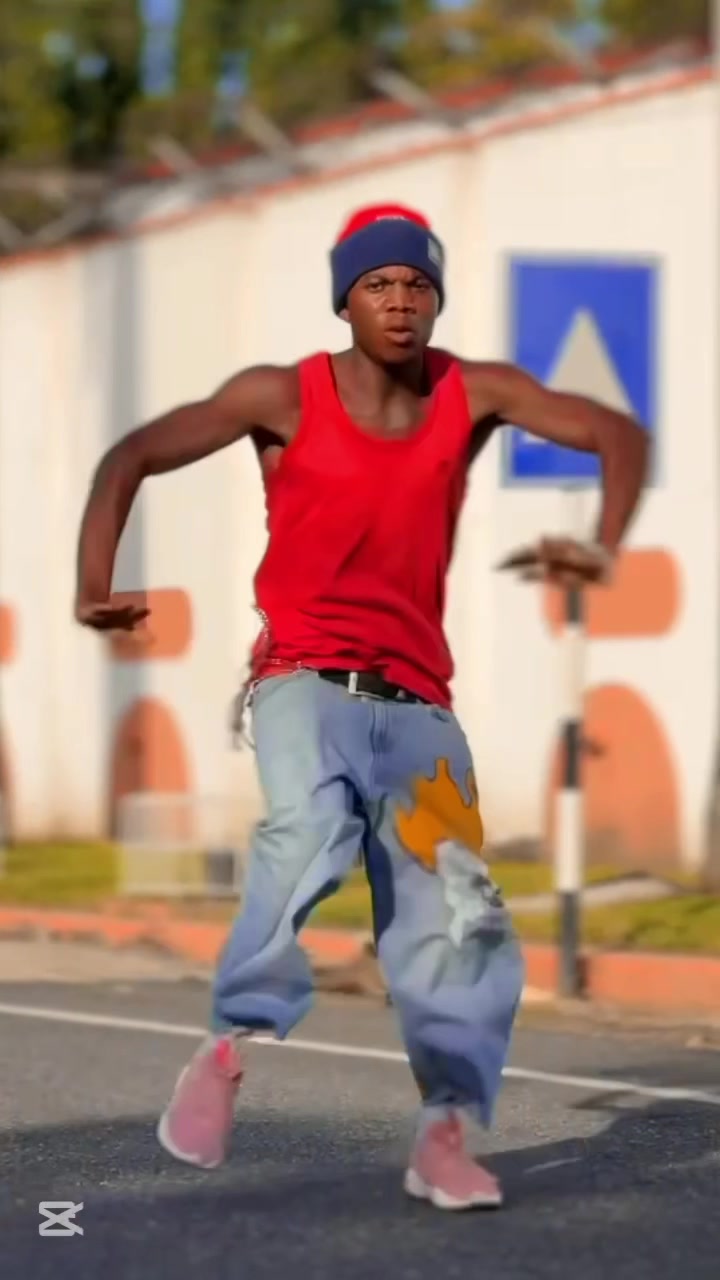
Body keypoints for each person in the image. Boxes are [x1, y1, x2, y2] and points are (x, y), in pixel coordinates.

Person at [74, 202, 648, 1211]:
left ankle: (444, 1133)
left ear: (437, 300)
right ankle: (227, 1047)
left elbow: (615, 431)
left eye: (418, 285)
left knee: (456, 914)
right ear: (346, 300)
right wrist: (93, 582)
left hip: (420, 702)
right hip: (303, 679)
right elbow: (131, 456)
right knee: (310, 829)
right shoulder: (282, 395)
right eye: (378, 284)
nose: (400, 301)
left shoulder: (472, 393)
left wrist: (603, 542)